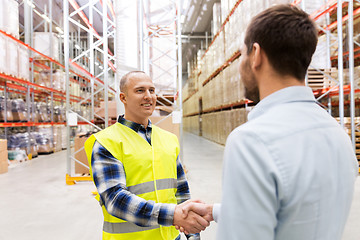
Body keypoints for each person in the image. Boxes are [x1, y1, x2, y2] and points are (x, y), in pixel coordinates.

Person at [179, 4, 359, 240]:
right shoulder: (337, 134)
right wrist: (217, 211)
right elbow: (299, 209)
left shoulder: (251, 141)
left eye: (242, 55)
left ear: (256, 54)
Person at [84, 71, 211, 240]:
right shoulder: (106, 142)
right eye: (140, 90)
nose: (148, 96)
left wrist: (193, 234)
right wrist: (173, 215)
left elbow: (181, 193)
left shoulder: (169, 140)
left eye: (152, 90)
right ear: (123, 98)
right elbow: (115, 200)